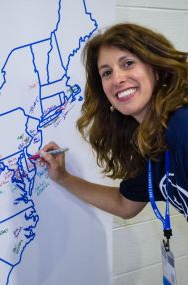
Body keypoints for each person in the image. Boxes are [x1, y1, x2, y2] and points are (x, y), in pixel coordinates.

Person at [40, 23, 188, 222]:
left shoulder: (182, 126)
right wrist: (63, 177)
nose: (117, 79)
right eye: (107, 72)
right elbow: (125, 205)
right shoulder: (150, 138)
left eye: (128, 63)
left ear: (156, 68)